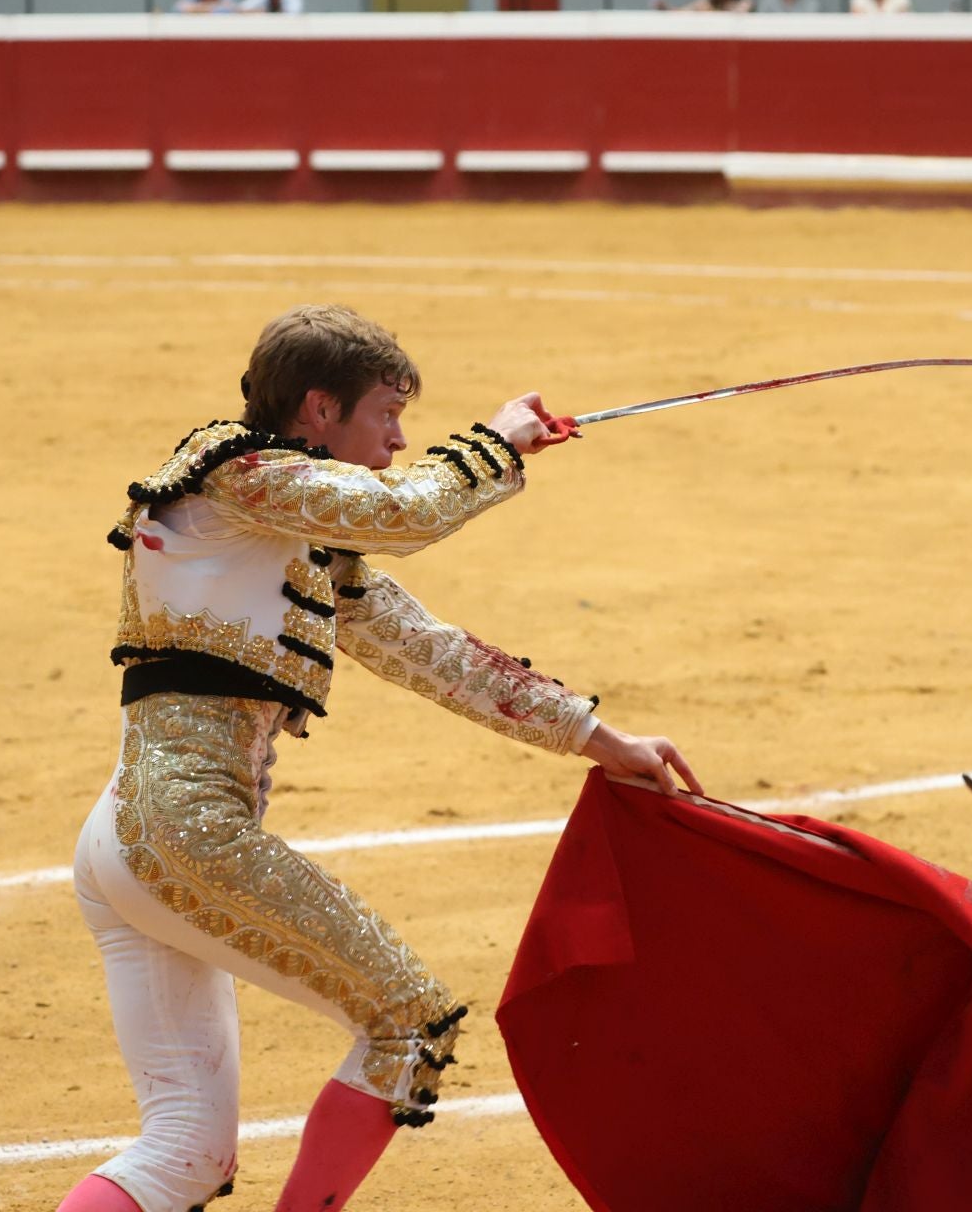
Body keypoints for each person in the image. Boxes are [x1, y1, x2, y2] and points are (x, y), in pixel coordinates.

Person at [57, 304, 701, 1212]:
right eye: (386, 416)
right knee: (407, 1024)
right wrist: (496, 444)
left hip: (129, 842)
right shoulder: (247, 476)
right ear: (319, 410)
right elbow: (408, 511)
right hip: (183, 837)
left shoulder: (287, 529)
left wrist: (603, 740)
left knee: (184, 1154)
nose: (400, 442)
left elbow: (436, 656)